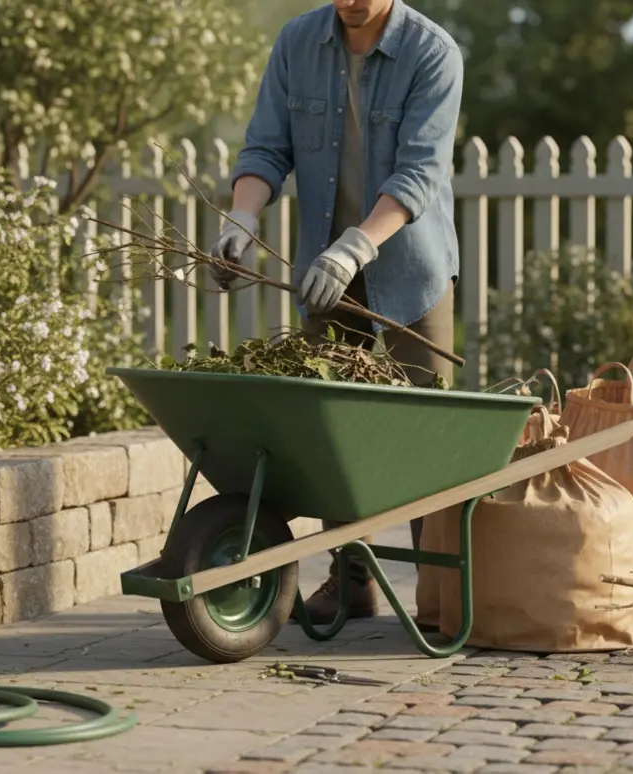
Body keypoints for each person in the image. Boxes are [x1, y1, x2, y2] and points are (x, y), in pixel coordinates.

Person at [208, 0, 464, 624]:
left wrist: (356, 246)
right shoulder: (298, 43)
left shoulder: (433, 53)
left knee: (427, 430)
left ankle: (440, 593)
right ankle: (351, 582)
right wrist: (243, 216)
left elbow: (419, 173)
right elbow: (266, 149)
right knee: (335, 429)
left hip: (410, 272)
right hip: (324, 274)